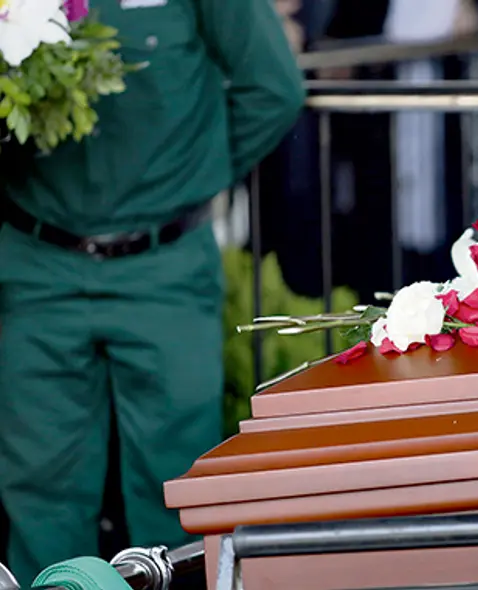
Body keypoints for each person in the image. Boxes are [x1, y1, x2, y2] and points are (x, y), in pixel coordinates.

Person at [0, 0, 304, 583]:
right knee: (38, 487)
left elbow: (273, 88)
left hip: (164, 264)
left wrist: (187, 182)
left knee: (176, 484)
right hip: (37, 260)